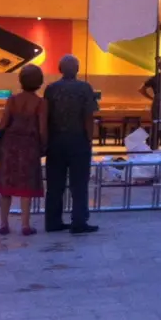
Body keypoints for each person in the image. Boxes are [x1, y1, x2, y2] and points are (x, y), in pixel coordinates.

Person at [44, 55, 98, 235]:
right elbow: (88, 117)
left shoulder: (50, 89)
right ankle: (79, 221)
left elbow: (45, 117)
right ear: (77, 69)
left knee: (54, 184)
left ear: (60, 69)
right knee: (79, 183)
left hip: (55, 141)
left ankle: (53, 221)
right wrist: (90, 139)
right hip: (78, 141)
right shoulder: (84, 88)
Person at [0, 65, 48, 236]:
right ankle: (25, 225)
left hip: (9, 145)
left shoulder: (12, 100)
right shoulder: (41, 103)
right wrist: (44, 146)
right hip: (29, 146)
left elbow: (3, 123)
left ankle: (3, 224)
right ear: (39, 82)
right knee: (26, 185)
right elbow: (42, 129)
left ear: (21, 80)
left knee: (5, 184)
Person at [140, 59, 161, 148]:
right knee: (156, 125)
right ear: (160, 68)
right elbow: (141, 89)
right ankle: (154, 146)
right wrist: (152, 98)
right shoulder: (155, 78)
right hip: (158, 104)